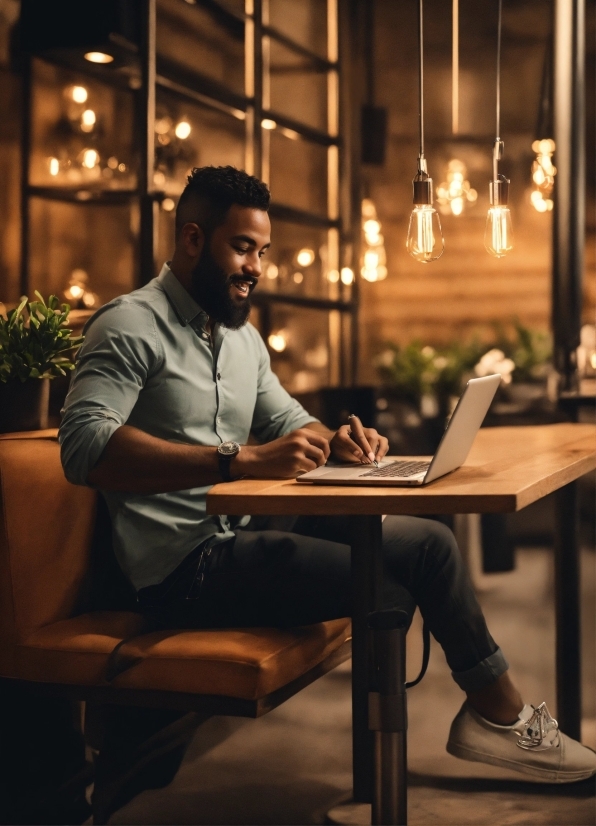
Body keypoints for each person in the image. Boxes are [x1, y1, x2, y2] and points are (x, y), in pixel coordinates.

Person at [59, 165, 596, 785]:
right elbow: (84, 447)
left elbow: (288, 418)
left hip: (249, 530)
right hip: (181, 568)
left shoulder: (243, 341)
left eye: (262, 251)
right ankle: (410, 769)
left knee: (430, 543)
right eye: (241, 247)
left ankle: (494, 719)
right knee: (389, 587)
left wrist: (339, 438)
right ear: (191, 239)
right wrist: (238, 460)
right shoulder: (127, 325)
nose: (256, 266)